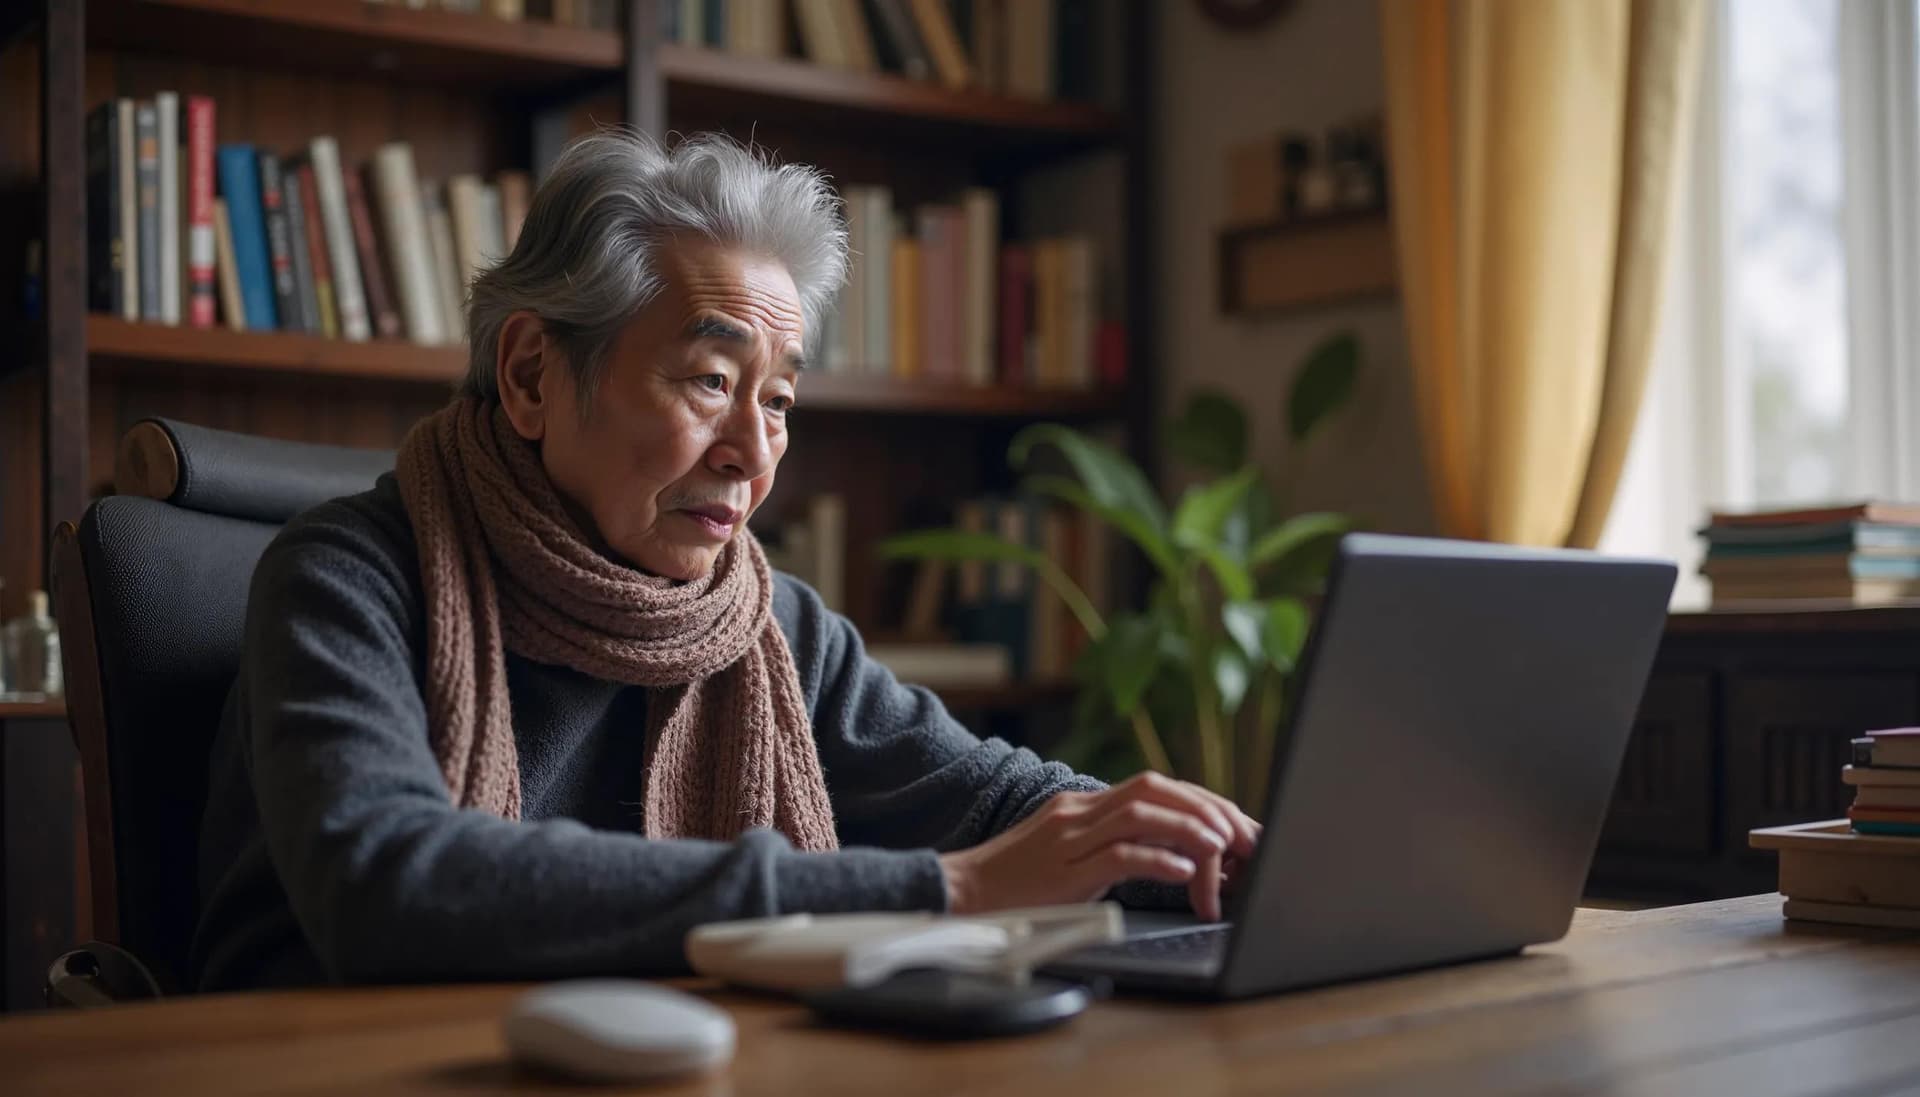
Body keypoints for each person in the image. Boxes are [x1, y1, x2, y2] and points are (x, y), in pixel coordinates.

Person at [190, 131, 1258, 990]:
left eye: (780, 400)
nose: (754, 451)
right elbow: (389, 882)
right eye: (709, 378)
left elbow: (995, 803)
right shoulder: (345, 576)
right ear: (529, 376)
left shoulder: (763, 622)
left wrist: (1221, 857)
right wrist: (947, 890)